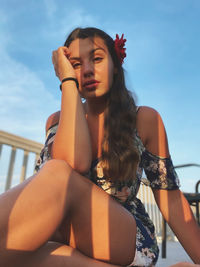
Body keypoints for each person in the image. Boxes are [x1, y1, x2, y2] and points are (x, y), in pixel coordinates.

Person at [0, 27, 199, 267]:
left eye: (96, 59)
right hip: (67, 236)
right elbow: (71, 162)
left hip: (121, 236)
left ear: (115, 64)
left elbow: (171, 200)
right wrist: (69, 84)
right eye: (74, 64)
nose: (87, 70)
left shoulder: (144, 119)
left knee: (56, 173)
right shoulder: (56, 121)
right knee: (29, 254)